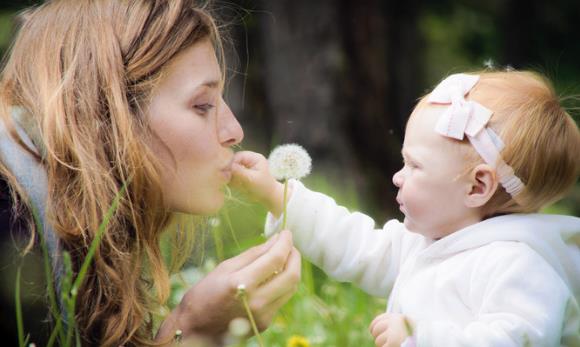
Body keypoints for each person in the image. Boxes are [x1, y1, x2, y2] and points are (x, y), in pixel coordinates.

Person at [0, 1, 301, 346]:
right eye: (202, 105)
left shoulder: (74, 236)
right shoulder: (10, 227)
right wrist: (194, 332)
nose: (234, 131)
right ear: (110, 114)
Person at [231, 71, 580, 346]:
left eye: (414, 166)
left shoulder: (521, 266)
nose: (398, 177)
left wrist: (419, 337)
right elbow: (356, 244)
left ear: (477, 186)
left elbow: (515, 340)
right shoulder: (427, 244)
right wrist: (277, 197)